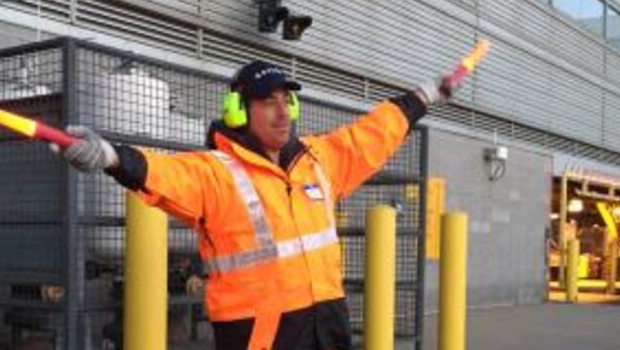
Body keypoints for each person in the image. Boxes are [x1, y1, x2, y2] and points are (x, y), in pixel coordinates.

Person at [52, 58, 464, 350]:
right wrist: (107, 156)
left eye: (287, 101)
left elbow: (374, 132)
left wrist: (429, 93)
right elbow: (161, 173)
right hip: (261, 337)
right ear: (237, 111)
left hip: (327, 327)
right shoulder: (216, 173)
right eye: (269, 102)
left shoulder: (319, 160)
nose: (283, 113)